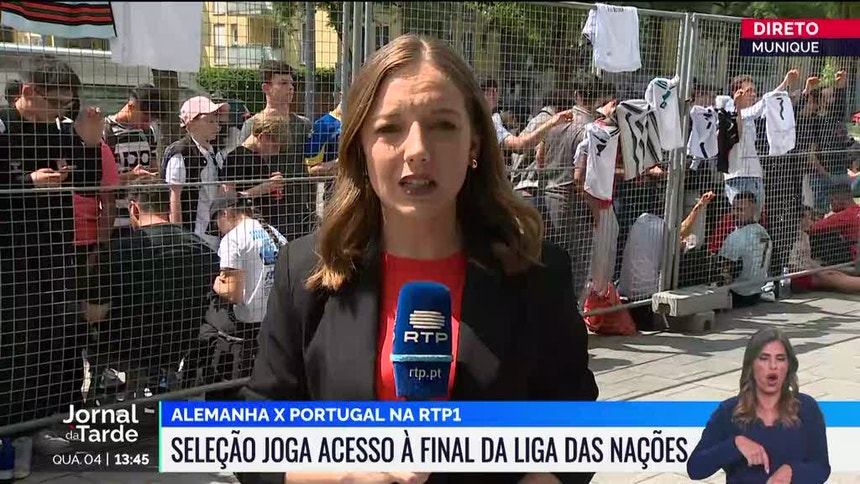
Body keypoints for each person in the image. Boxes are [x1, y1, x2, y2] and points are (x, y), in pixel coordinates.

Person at [242, 34, 598, 484]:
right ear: (361, 146)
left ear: (474, 143)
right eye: (389, 128)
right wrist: (343, 474)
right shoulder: (303, 271)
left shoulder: (537, 272)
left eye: (442, 125)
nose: (417, 150)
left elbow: (576, 435)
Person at [83, 178, 219, 402]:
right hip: (179, 345)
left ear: (134, 208)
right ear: (167, 207)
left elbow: (94, 314)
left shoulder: (117, 252)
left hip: (124, 346)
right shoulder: (202, 249)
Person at [687, 328, 830, 484]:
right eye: (764, 358)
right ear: (751, 365)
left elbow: (821, 467)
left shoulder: (806, 408)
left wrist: (792, 472)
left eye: (780, 359)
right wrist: (735, 445)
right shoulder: (729, 412)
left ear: (788, 365)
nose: (773, 366)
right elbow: (695, 468)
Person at [162, 95, 229, 248]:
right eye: (210, 121)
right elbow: (174, 198)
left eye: (217, 121)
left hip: (212, 235)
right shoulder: (181, 154)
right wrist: (178, 238)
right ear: (191, 123)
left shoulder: (213, 152)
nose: (217, 126)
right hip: (192, 237)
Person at [716, 192, 772, 308]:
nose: (735, 213)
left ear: (753, 210)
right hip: (756, 292)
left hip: (739, 294)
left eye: (740, 210)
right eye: (734, 209)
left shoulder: (736, 237)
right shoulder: (764, 233)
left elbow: (725, 272)